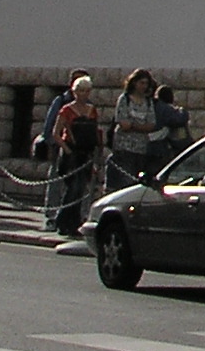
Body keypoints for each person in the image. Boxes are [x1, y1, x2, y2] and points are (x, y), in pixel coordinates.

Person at [46, 76, 102, 236]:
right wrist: (67, 149)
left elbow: (95, 131)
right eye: (80, 91)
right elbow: (56, 133)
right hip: (71, 151)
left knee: (81, 188)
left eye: (86, 91)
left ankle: (74, 221)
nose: (83, 94)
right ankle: (64, 221)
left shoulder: (92, 110)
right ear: (74, 92)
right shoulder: (66, 110)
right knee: (73, 187)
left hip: (87, 152)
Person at [107, 70, 159, 185]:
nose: (144, 86)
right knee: (126, 179)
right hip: (124, 148)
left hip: (141, 149)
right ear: (134, 83)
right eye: (141, 83)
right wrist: (140, 125)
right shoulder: (125, 99)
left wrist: (133, 125)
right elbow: (124, 124)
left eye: (146, 84)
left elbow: (151, 124)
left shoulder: (148, 102)